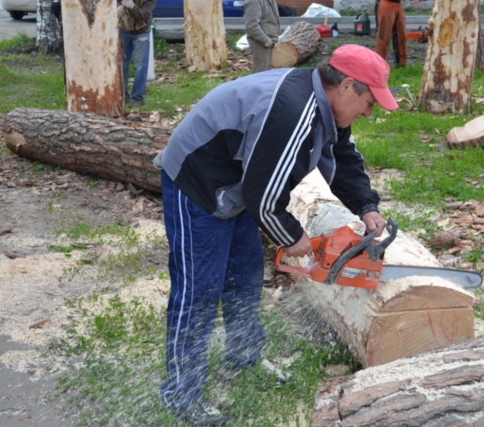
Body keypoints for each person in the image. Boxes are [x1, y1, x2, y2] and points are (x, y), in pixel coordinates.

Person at [154, 44, 398, 426]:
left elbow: (344, 155)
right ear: (347, 86)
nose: (369, 112)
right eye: (368, 102)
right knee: (200, 289)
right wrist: (290, 234)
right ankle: (181, 391)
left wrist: (366, 205)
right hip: (198, 182)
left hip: (238, 184)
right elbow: (262, 195)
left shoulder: (325, 106)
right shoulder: (291, 110)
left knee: (245, 277)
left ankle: (244, 357)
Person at [117, 0, 156, 106]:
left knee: (140, 67)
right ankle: (123, 96)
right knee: (122, 64)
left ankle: (137, 99)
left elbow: (143, 15)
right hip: (124, 29)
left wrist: (131, 6)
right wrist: (118, 9)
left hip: (141, 31)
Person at [243, 0, 280, 73]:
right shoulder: (254, 1)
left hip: (271, 41)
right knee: (260, 73)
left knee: (266, 74)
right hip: (261, 43)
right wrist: (266, 40)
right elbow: (251, 25)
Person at [375, 0, 407, 67]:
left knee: (401, 36)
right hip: (386, 3)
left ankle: (401, 63)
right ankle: (378, 64)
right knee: (383, 37)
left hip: (398, 4)